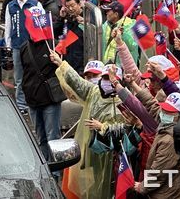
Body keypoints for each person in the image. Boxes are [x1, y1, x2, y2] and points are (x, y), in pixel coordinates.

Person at [49, 51, 126, 199]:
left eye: (110, 78)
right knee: (95, 181)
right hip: (91, 149)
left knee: (109, 186)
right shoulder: (94, 92)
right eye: (104, 77)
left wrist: (102, 127)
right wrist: (61, 63)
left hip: (112, 157)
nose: (105, 81)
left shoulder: (124, 103)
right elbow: (76, 82)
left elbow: (124, 131)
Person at [20, 31, 64, 160]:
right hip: (32, 100)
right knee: (41, 138)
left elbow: (65, 69)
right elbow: (23, 70)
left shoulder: (53, 46)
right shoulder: (24, 47)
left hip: (50, 99)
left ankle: (55, 172)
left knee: (53, 138)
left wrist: (58, 60)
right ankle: (46, 169)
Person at [4, 0, 43, 114]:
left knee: (33, 75)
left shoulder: (35, 4)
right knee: (19, 77)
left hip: (33, 46)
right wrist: (8, 44)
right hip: (16, 45)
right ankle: (21, 105)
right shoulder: (11, 6)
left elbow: (42, 25)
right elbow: (8, 26)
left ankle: (33, 102)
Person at [58, 0, 85, 73]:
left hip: (81, 60)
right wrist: (61, 18)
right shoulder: (67, 18)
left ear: (79, 4)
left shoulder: (88, 17)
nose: (70, 9)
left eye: (73, 5)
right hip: (68, 58)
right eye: (68, 6)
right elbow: (56, 32)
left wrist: (85, 23)